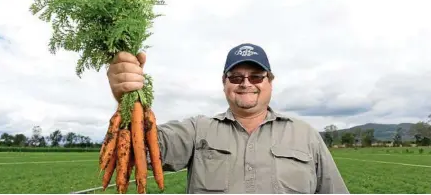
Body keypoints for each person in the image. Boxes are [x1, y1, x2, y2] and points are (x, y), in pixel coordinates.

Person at [107, 43, 349, 194]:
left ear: (270, 82)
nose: (246, 83)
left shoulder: (305, 134)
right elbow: (145, 148)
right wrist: (127, 99)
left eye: (256, 76)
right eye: (235, 77)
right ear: (224, 83)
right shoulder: (197, 130)